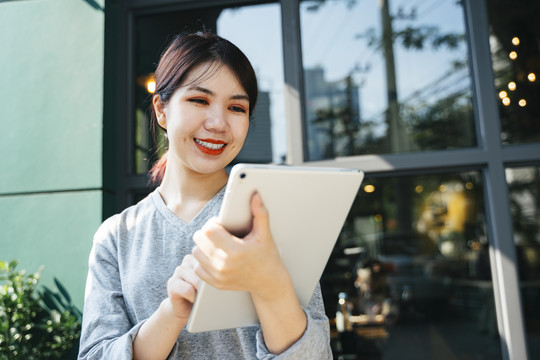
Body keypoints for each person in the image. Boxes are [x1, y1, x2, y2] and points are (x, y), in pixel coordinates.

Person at [78, 30, 332, 360]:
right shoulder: (117, 237)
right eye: (199, 100)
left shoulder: (273, 218)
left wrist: (270, 284)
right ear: (161, 109)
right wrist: (172, 312)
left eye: (236, 108)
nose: (217, 123)